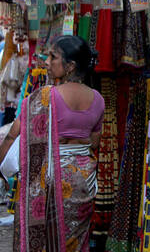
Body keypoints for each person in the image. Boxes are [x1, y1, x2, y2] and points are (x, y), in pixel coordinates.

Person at [0, 35, 104, 251]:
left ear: (70, 66)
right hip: (84, 182)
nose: (46, 62)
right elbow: (94, 142)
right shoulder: (98, 99)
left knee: (46, 241)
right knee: (75, 241)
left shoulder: (44, 97)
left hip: (49, 182)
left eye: (53, 57)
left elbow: (12, 135)